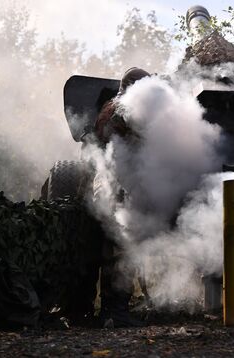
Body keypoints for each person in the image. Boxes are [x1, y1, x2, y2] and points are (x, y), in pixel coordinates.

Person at [94, 67, 150, 328]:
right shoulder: (125, 108)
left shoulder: (109, 106)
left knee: (113, 249)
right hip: (118, 185)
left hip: (108, 183)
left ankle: (111, 311)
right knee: (121, 248)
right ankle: (115, 312)